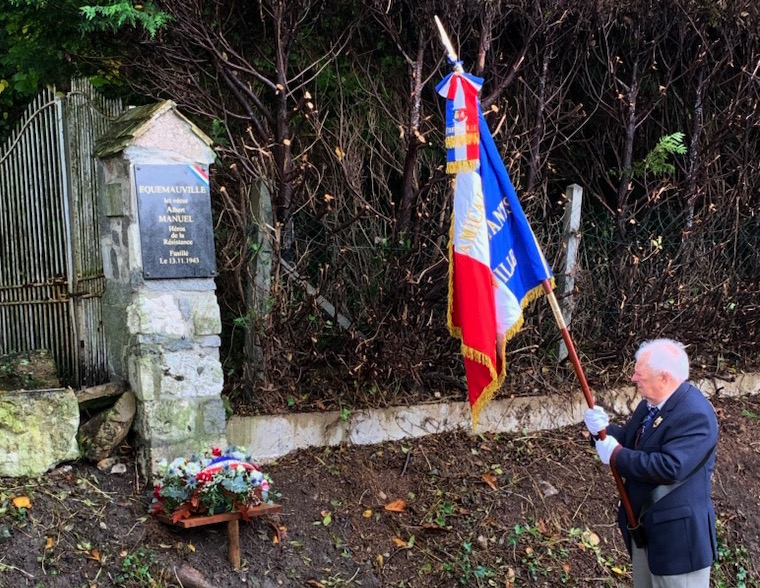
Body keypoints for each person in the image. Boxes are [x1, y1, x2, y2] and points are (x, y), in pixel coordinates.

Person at [584, 338, 718, 588]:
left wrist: (616, 455)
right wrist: (601, 431)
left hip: (678, 546)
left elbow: (669, 466)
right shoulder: (651, 405)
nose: (633, 378)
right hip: (647, 532)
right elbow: (631, 441)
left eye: (640, 374)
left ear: (664, 378)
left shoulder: (695, 414)